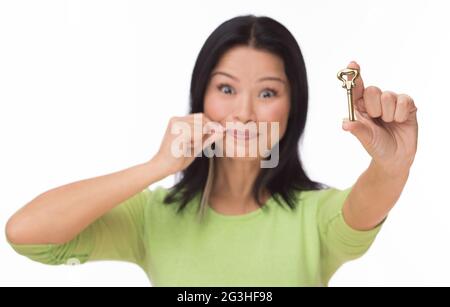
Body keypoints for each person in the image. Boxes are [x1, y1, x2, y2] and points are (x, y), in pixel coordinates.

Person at [5, 15, 418, 286]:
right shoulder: (152, 215)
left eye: (268, 92)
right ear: (201, 97)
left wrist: (394, 163)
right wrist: (156, 166)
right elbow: (27, 235)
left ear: (293, 106)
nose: (243, 112)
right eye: (226, 88)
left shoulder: (318, 216)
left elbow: (369, 199)